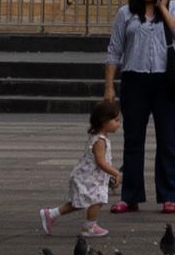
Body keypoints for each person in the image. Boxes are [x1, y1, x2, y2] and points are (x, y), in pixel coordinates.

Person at [101, 0, 175, 212]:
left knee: (167, 140)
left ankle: (170, 195)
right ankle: (130, 196)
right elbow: (114, 50)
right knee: (133, 140)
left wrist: (163, 6)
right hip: (134, 81)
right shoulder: (125, 13)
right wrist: (109, 87)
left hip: (167, 83)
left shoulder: (172, 9)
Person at [43, 94, 121, 236]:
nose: (118, 124)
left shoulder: (99, 137)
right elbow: (100, 161)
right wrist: (115, 172)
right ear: (104, 122)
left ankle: (51, 214)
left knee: (79, 202)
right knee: (97, 199)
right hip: (88, 177)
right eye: (116, 120)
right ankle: (90, 227)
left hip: (87, 176)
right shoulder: (100, 141)